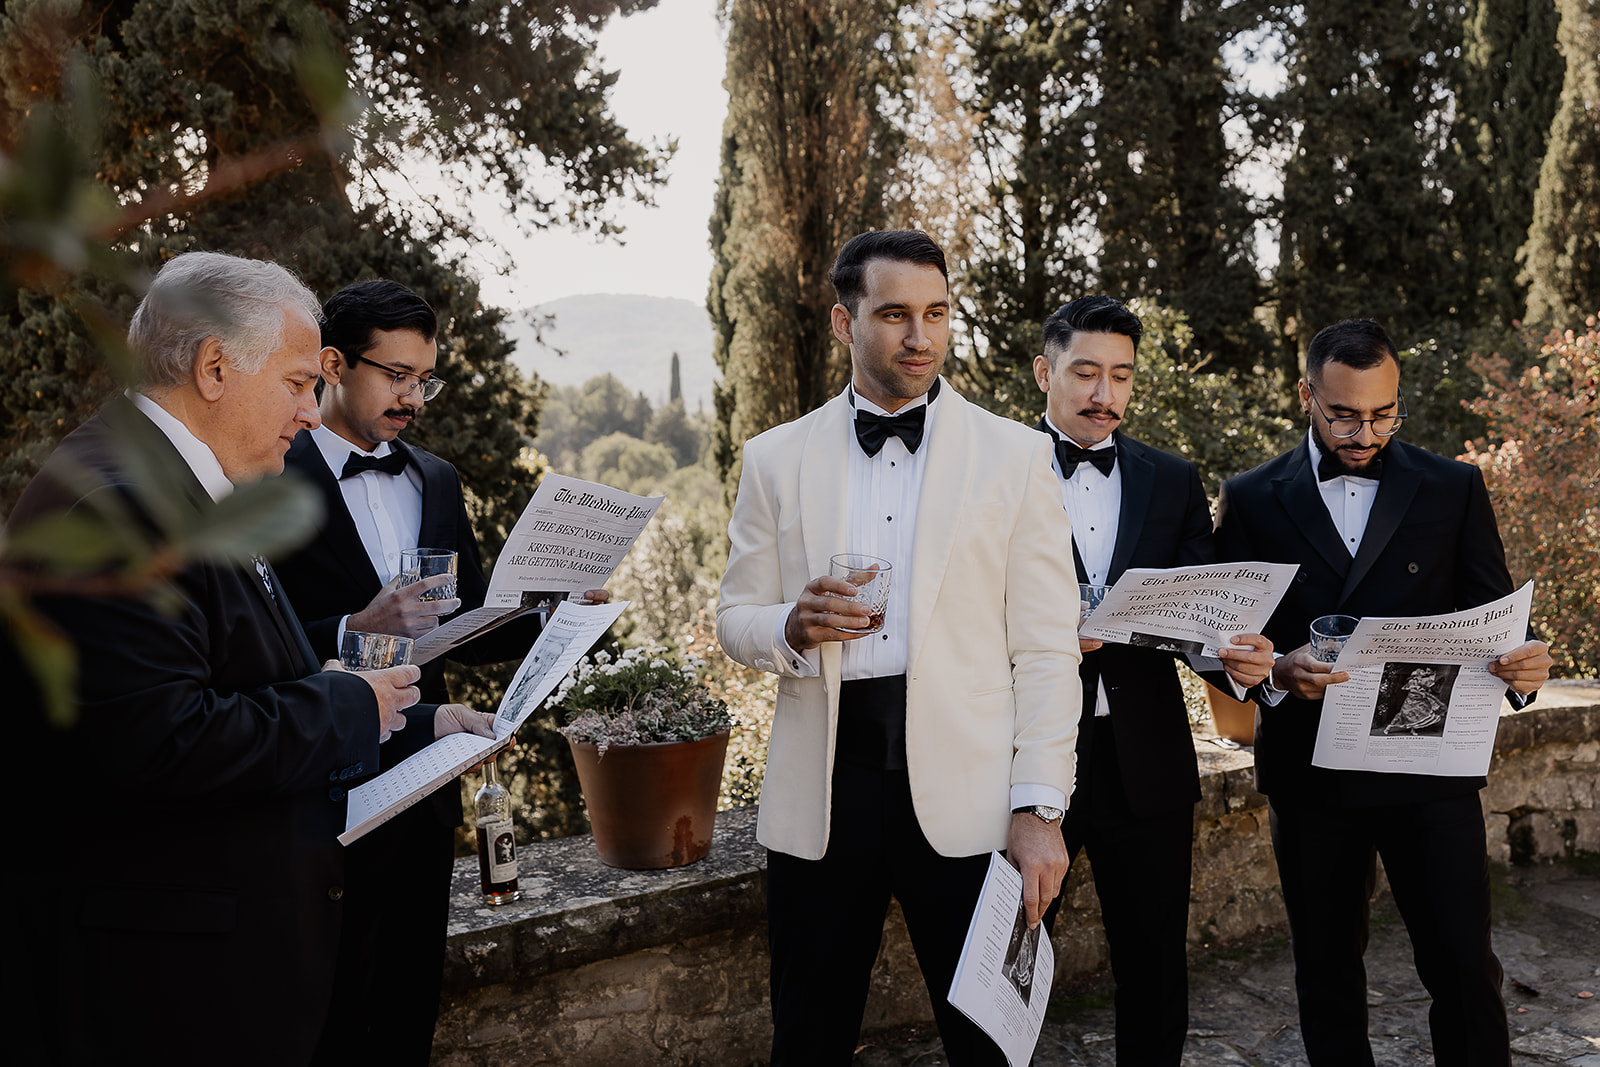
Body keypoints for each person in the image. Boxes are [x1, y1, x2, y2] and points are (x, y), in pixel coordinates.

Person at [7, 251, 438, 1065]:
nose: (313, 413)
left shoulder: (178, 486)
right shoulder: (120, 505)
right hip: (164, 994)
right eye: (298, 382)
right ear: (213, 367)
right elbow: (161, 738)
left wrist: (399, 712)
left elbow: (234, 664)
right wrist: (351, 705)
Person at [717, 229, 1083, 1065]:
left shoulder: (1018, 456)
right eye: (893, 315)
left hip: (974, 799)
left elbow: (1046, 649)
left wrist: (1039, 809)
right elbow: (734, 616)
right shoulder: (773, 458)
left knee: (991, 1046)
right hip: (825, 794)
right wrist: (789, 625)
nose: (920, 337)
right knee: (806, 1037)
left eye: (935, 314)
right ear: (845, 324)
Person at [272, 279, 599, 1064]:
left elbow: (465, 625)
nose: (413, 397)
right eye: (396, 375)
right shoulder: (270, 476)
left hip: (426, 771)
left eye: (425, 379)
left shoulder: (437, 479)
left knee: (409, 1000)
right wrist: (356, 629)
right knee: (327, 1011)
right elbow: (262, 641)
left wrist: (548, 612)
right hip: (322, 784)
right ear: (333, 365)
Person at [1213, 317, 1553, 1066]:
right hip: (1312, 776)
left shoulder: (1454, 485)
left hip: (1430, 773)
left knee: (1465, 968)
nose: (1365, 432)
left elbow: (1496, 619)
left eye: (1383, 413)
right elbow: (1225, 640)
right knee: (1328, 973)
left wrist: (1524, 667)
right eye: (1343, 414)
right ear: (1307, 395)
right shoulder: (1250, 497)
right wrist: (1274, 671)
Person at [1029, 295, 1274, 1065]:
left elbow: (1202, 611)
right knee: (1012, 960)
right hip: (1030, 755)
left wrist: (1233, 656)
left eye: (1122, 376)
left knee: (1157, 966)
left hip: (1148, 758)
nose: (1105, 395)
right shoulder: (993, 469)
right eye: (1087, 373)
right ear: (1046, 372)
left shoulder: (1173, 479)